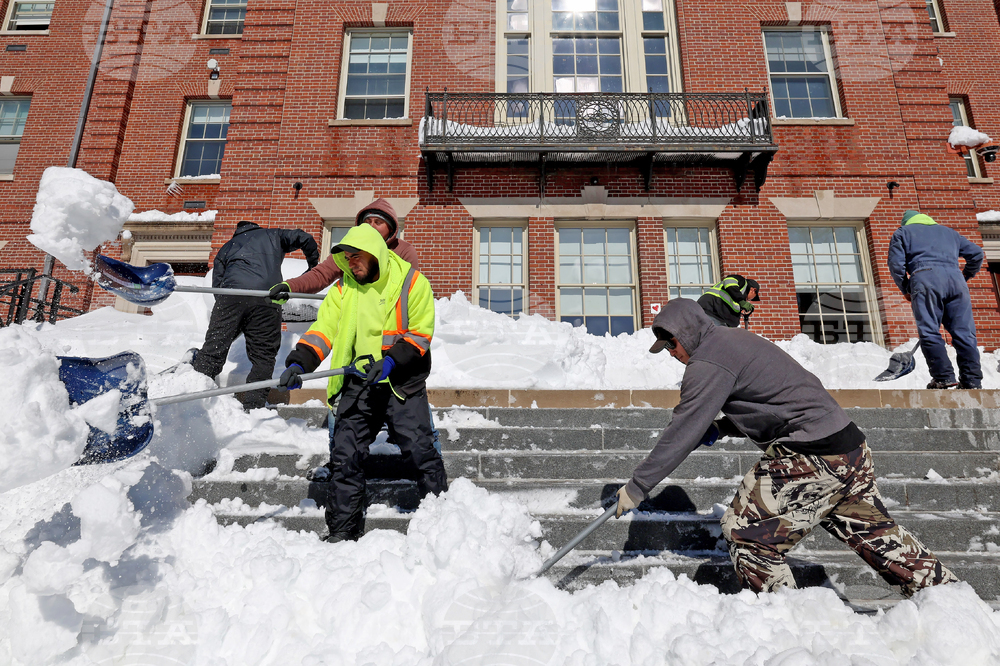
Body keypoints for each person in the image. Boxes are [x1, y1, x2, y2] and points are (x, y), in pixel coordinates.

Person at [614, 298, 957, 597]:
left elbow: (683, 428)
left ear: (687, 333)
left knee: (747, 531)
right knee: (878, 537)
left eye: (672, 343)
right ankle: (952, 602)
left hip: (813, 455)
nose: (672, 353)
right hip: (847, 447)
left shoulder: (707, 362)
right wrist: (721, 427)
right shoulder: (734, 340)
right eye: (666, 349)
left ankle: (784, 617)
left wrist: (638, 485)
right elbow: (775, 399)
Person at [277, 223, 447, 542]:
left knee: (420, 451)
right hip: (359, 381)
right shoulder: (344, 288)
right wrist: (299, 362)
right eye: (346, 258)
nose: (350, 263)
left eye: (356, 256)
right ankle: (343, 530)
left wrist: (391, 361)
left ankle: (445, 522)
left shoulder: (412, 282)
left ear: (374, 253)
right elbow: (323, 330)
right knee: (345, 455)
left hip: (401, 382)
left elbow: (420, 333)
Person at [269, 198, 442, 467]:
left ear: (391, 229)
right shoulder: (349, 254)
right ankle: (337, 463)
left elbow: (408, 302)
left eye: (379, 222)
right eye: (367, 221)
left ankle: (430, 457)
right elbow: (320, 276)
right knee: (342, 420)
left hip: (396, 363)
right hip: (356, 362)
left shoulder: (404, 253)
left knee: (416, 422)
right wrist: (290, 287)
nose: (372, 225)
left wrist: (395, 356)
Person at [191, 220, 319, 411]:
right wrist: (312, 267)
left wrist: (229, 313)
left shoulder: (227, 247)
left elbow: (218, 284)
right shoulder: (274, 235)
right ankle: (254, 407)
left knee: (213, 349)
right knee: (263, 357)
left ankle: (195, 401)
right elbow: (305, 238)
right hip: (266, 298)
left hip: (231, 297)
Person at [888, 209, 984, 389]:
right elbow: (977, 253)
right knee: (964, 333)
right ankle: (972, 380)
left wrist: (906, 288)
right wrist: (965, 275)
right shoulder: (950, 233)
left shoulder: (902, 233)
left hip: (925, 279)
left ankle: (943, 376)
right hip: (956, 282)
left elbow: (896, 265)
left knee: (929, 331)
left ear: (906, 223)